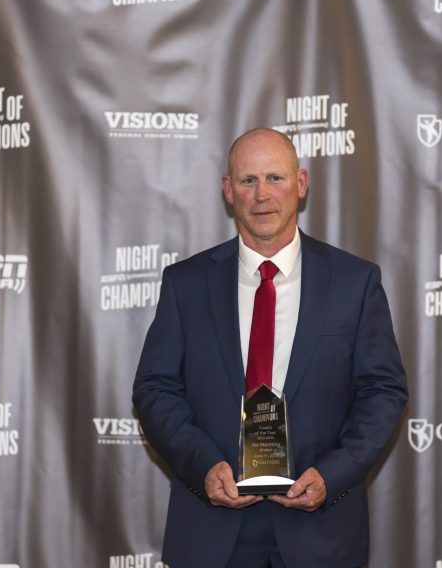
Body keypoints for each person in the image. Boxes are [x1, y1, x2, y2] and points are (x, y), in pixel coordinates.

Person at [133, 127, 408, 568]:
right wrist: (204, 466)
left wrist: (330, 477)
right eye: (248, 181)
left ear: (301, 184)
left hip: (320, 531)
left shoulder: (355, 282)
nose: (262, 195)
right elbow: (154, 389)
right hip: (212, 530)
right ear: (228, 190)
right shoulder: (186, 284)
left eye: (275, 178)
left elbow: (383, 392)